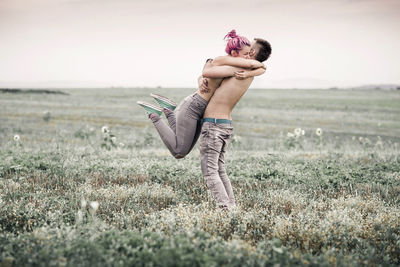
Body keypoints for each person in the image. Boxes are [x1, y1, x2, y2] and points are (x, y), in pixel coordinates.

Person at [137, 30, 266, 158]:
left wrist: (253, 71)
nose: (247, 57)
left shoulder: (227, 64)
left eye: (249, 54)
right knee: (179, 152)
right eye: (245, 54)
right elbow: (207, 72)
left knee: (182, 149)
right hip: (194, 106)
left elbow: (209, 73)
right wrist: (259, 67)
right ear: (234, 53)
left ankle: (168, 110)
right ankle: (154, 115)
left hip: (200, 109)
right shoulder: (226, 63)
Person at [199, 37, 272, 210]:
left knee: (210, 172)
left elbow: (211, 67)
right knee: (220, 170)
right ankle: (231, 208)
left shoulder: (241, 66)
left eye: (249, 49)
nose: (246, 51)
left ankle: (226, 210)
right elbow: (263, 67)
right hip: (225, 124)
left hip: (214, 124)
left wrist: (203, 73)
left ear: (252, 53)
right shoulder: (249, 70)